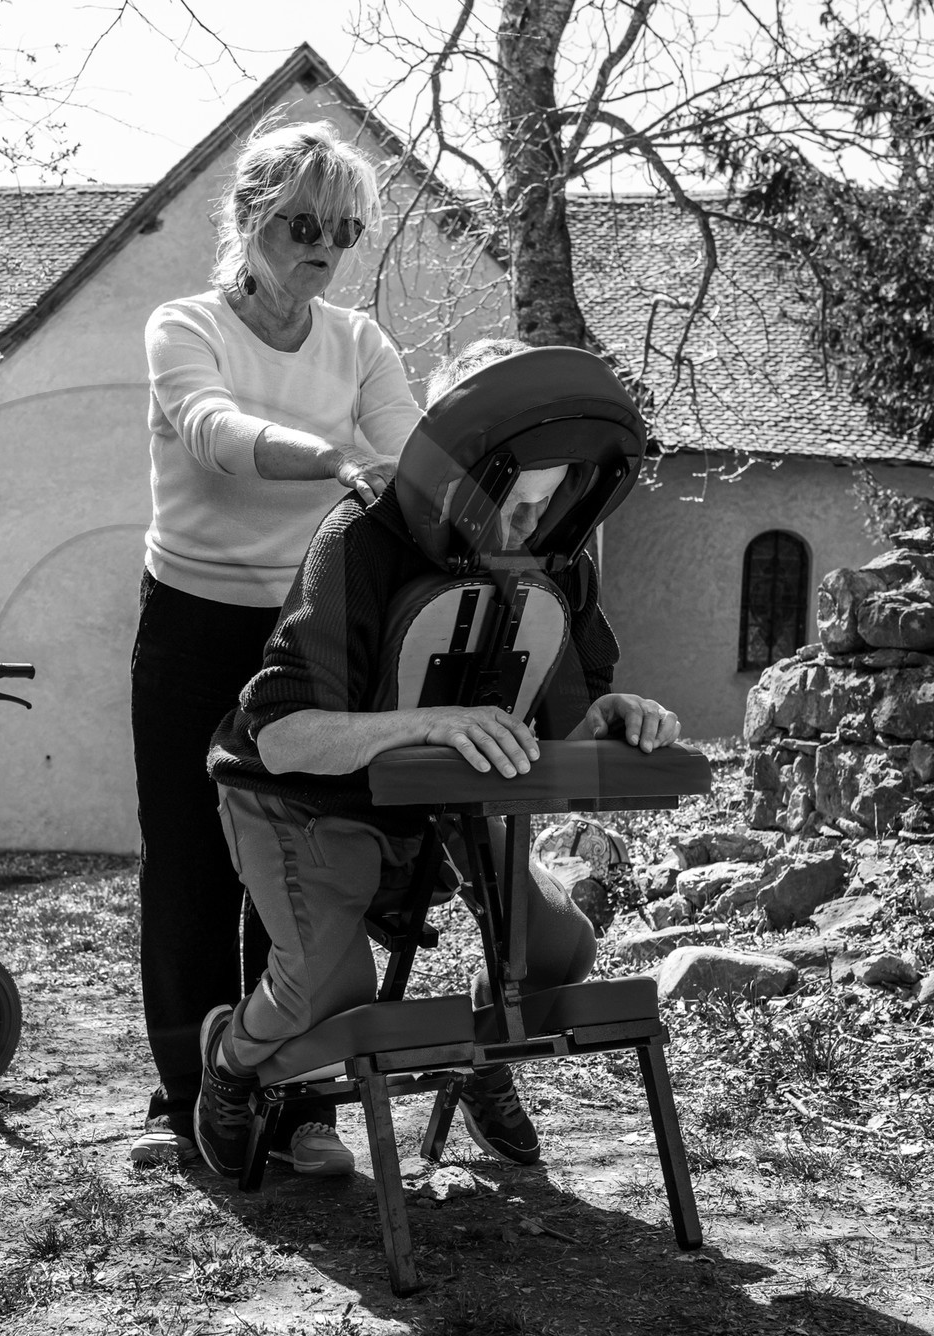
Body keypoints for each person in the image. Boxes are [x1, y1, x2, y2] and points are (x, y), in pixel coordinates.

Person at [194, 337, 681, 1178]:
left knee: (559, 953)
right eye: (513, 504)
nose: (531, 524)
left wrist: (613, 714)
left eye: (548, 501)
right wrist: (428, 721)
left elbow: (568, 711)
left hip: (442, 798)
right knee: (327, 998)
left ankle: (483, 1059)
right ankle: (228, 1066)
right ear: (458, 470)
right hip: (300, 800)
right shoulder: (360, 538)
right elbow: (280, 733)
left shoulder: (559, 559)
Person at [130, 118, 420, 1176]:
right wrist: (335, 458)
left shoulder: (360, 345)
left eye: (340, 231)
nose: (321, 248)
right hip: (191, 622)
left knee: (297, 863)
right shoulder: (184, 325)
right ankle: (189, 1091)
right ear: (248, 215)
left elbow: (415, 466)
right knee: (192, 859)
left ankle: (296, 1097)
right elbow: (211, 432)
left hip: (310, 632)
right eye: (301, 223)